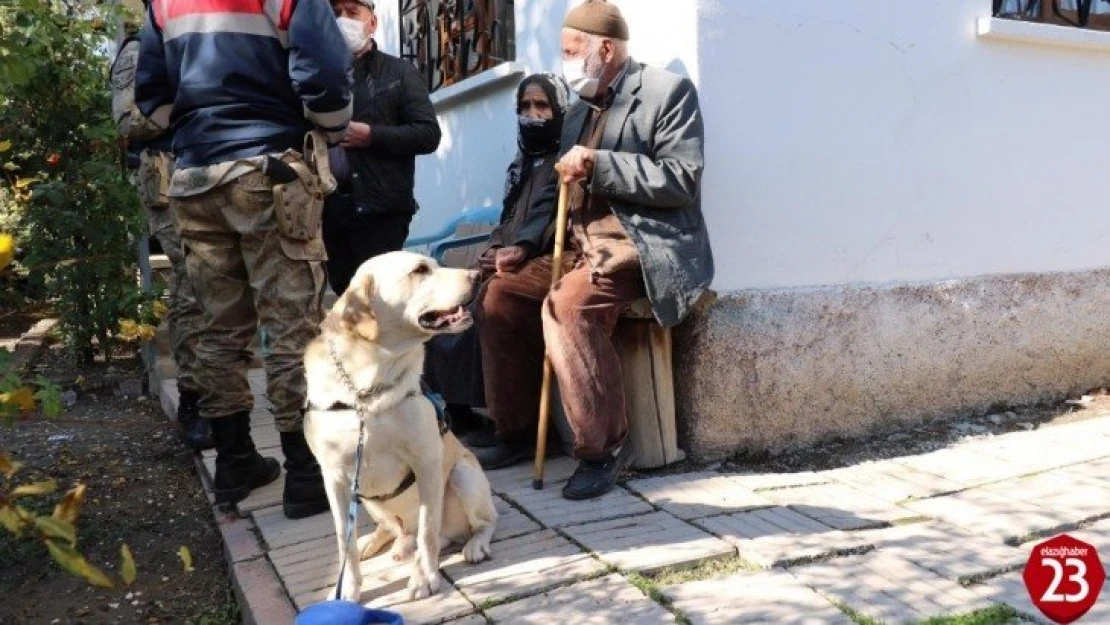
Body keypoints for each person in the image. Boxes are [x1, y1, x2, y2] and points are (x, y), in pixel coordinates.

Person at [474, 0, 714, 500]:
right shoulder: (577, 106)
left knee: (568, 307)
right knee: (501, 295)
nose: (563, 61)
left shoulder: (667, 93)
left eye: (570, 51)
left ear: (605, 49)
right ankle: (515, 432)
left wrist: (601, 164)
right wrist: (519, 245)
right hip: (578, 245)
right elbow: (550, 187)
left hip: (637, 244)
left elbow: (681, 180)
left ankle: (602, 449)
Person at [135, 0, 353, 519]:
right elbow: (324, 73)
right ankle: (303, 473)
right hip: (268, 167)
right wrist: (330, 127)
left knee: (217, 326)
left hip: (193, 177)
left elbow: (150, 94)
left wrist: (195, 131)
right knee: (291, 325)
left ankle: (235, 460)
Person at [423, 73, 570, 444]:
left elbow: (548, 218)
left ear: (559, 110)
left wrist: (518, 249)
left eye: (541, 105)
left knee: (492, 301)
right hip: (509, 254)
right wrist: (492, 249)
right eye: (524, 106)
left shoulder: (566, 162)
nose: (532, 114)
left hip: (544, 257)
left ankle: (513, 428)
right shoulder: (522, 164)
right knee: (445, 304)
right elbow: (508, 219)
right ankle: (460, 411)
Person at [109, 19, 210, 452]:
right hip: (169, 180)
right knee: (193, 284)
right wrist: (195, 101)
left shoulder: (207, 36)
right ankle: (194, 400)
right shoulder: (140, 48)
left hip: (216, 171)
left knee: (223, 286)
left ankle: (222, 392)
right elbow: (129, 120)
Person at [323, 0, 442, 296]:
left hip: (380, 211)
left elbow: (428, 134)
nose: (343, 20)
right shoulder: (318, 75)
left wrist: (373, 136)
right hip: (331, 209)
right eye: (336, 14)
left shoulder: (399, 72)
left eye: (352, 12)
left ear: (372, 22)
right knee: (345, 299)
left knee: (379, 301)